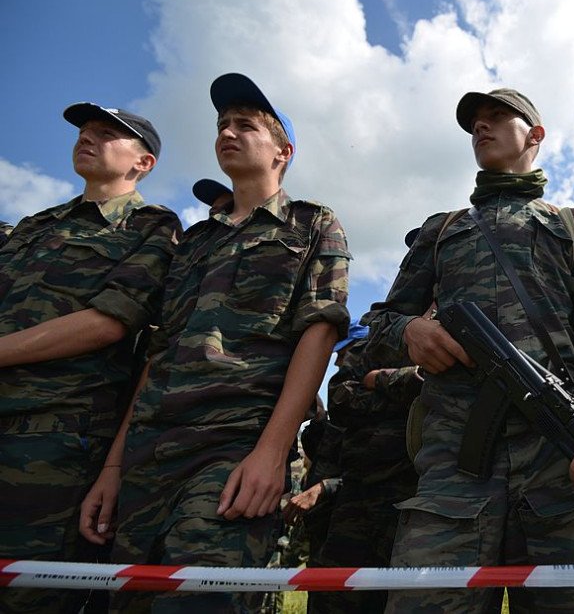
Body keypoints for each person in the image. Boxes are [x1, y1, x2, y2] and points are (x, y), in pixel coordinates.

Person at [362, 88, 574, 613]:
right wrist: (409, 333)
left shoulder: (573, 226)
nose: (481, 128)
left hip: (558, 465)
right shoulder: (442, 228)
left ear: (535, 135)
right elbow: (378, 320)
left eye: (497, 118)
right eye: (474, 123)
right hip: (454, 469)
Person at [79, 73, 351, 612]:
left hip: (235, 446)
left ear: (282, 152)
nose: (228, 131)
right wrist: (112, 469)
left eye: (245, 125)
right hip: (149, 454)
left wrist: (271, 453)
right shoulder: (191, 242)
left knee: (198, 602)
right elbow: (157, 354)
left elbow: (317, 334)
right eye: (222, 124)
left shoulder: (312, 223)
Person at [0, 102, 179, 614]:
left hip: (53, 440)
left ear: (142, 162)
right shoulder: (35, 226)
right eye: (84, 131)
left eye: (106, 134)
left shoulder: (152, 227)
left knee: (30, 595)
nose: (88, 138)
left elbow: (109, 321)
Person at [287, 318, 424, 614]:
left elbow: (422, 391)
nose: (338, 362)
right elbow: (342, 400)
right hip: (351, 506)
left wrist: (379, 381)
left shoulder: (382, 350)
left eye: (344, 354)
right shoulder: (336, 428)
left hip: (396, 502)